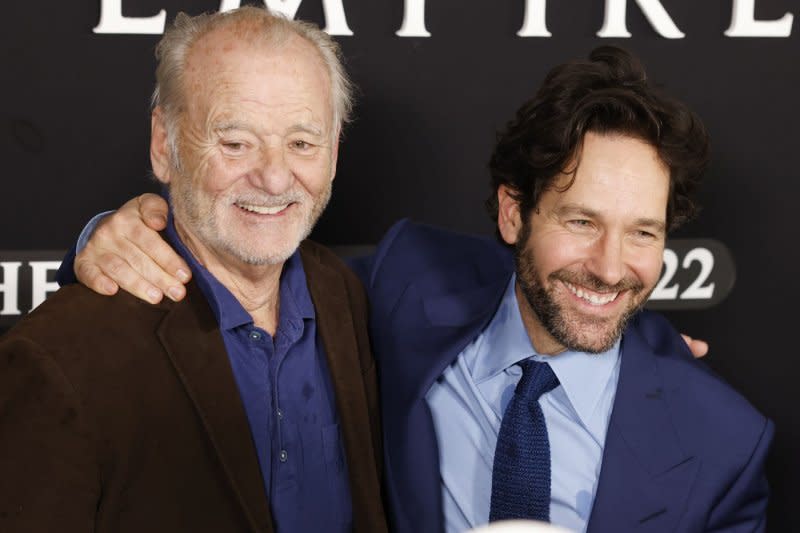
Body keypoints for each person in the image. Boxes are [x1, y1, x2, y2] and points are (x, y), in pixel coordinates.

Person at [57, 48, 769, 533]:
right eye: (582, 221)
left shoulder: (726, 443)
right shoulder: (406, 282)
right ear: (513, 212)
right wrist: (114, 235)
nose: (612, 266)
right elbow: (253, 277)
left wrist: (643, 336)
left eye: (642, 233)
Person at [0, 7, 386, 532]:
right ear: (165, 144)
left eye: (301, 143)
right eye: (235, 143)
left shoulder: (345, 296)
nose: (274, 178)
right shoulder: (58, 358)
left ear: (334, 151)